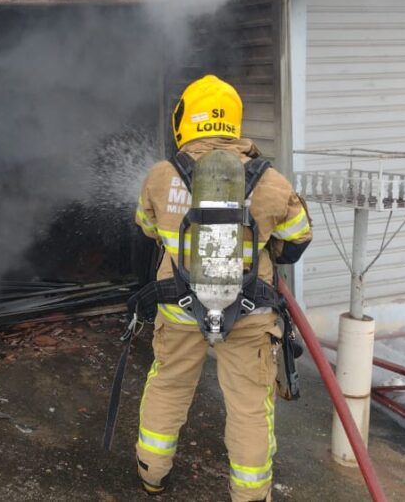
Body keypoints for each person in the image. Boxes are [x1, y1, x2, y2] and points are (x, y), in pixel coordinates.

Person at [133, 74, 312, 501]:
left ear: (186, 121)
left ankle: (152, 474)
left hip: (177, 308)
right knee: (249, 404)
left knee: (169, 385)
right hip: (250, 312)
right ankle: (251, 495)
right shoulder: (271, 181)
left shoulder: (161, 175)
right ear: (232, 122)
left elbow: (146, 228)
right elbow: (299, 236)